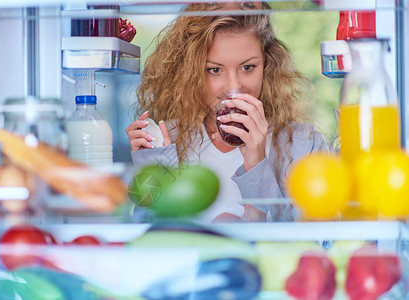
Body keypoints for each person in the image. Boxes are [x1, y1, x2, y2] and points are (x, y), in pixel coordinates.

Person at [125, 2, 328, 223]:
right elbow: (149, 240)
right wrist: (154, 170)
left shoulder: (304, 144)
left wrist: (257, 161)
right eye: (214, 70)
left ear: (267, 65)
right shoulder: (168, 140)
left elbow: (311, 241)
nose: (234, 87)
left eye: (248, 67)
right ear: (191, 72)